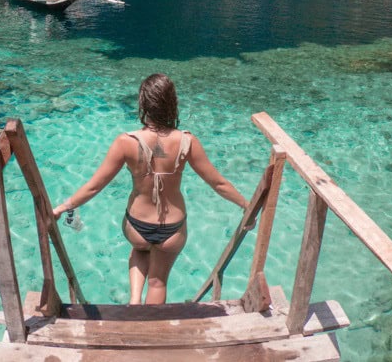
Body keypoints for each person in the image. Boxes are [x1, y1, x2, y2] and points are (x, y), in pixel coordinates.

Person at [53, 73, 248, 305]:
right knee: (158, 282)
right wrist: (248, 206)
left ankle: (134, 302)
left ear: (143, 103)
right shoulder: (187, 142)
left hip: (137, 225)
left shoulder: (126, 142)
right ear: (172, 103)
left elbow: (95, 186)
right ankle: (148, 322)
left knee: (140, 249)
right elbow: (218, 183)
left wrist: (63, 207)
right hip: (172, 230)